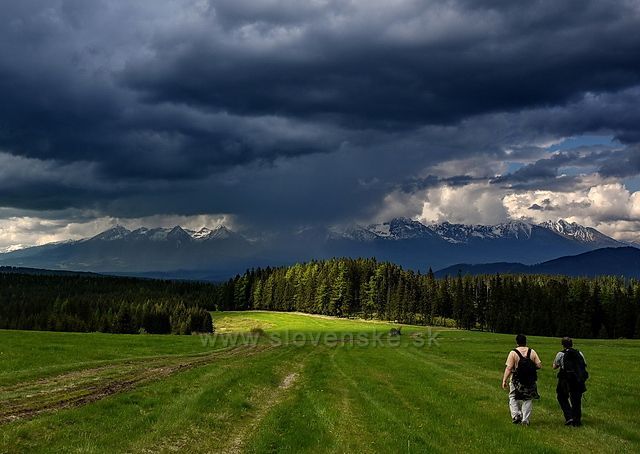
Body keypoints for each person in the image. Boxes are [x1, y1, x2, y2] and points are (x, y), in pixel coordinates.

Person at [502, 334, 542, 425]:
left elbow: (509, 368)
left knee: (513, 396)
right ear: (525, 341)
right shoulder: (532, 352)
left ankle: (516, 415)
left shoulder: (513, 353)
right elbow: (539, 365)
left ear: (517, 342)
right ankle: (525, 419)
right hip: (530, 379)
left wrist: (504, 379)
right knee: (527, 398)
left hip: (516, 379)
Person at [553, 337, 588, 427]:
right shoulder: (579, 353)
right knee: (576, 400)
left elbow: (555, 366)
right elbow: (584, 364)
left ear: (563, 345)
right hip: (577, 379)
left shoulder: (560, 354)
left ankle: (569, 417)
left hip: (565, 379)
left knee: (561, 396)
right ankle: (577, 420)